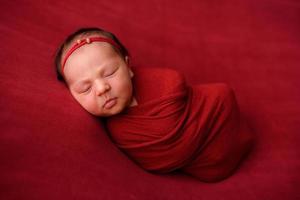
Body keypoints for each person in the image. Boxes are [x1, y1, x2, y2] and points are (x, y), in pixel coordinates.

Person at [54, 27, 255, 182]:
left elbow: (176, 83)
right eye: (85, 88)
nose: (101, 88)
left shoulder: (154, 81)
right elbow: (159, 158)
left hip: (213, 115)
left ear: (128, 66)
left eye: (110, 73)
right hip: (204, 158)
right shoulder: (122, 132)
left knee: (222, 94)